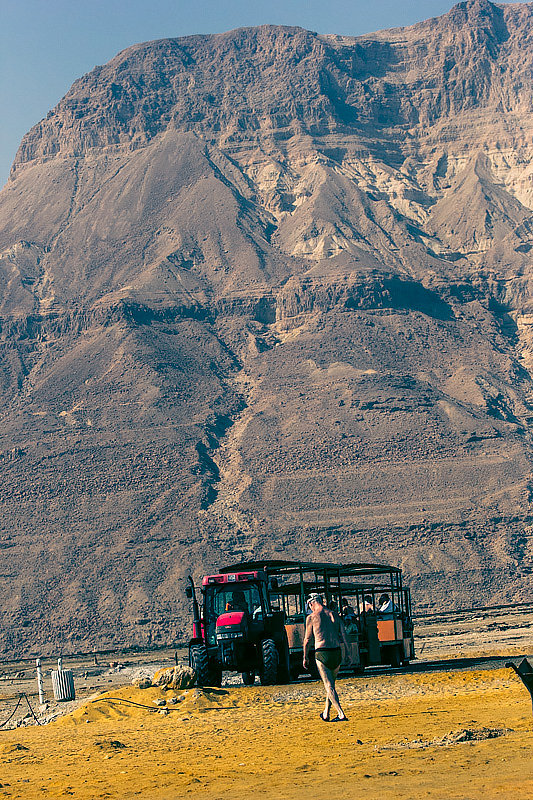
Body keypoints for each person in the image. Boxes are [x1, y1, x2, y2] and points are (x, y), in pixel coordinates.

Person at [303, 593, 349, 722]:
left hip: (322, 652)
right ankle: (326, 713)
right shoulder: (334, 614)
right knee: (331, 685)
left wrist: (305, 656)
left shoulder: (312, 617)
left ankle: (341, 714)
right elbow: (344, 635)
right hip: (336, 651)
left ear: (311, 603)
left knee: (329, 686)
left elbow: (307, 640)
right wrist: (349, 653)